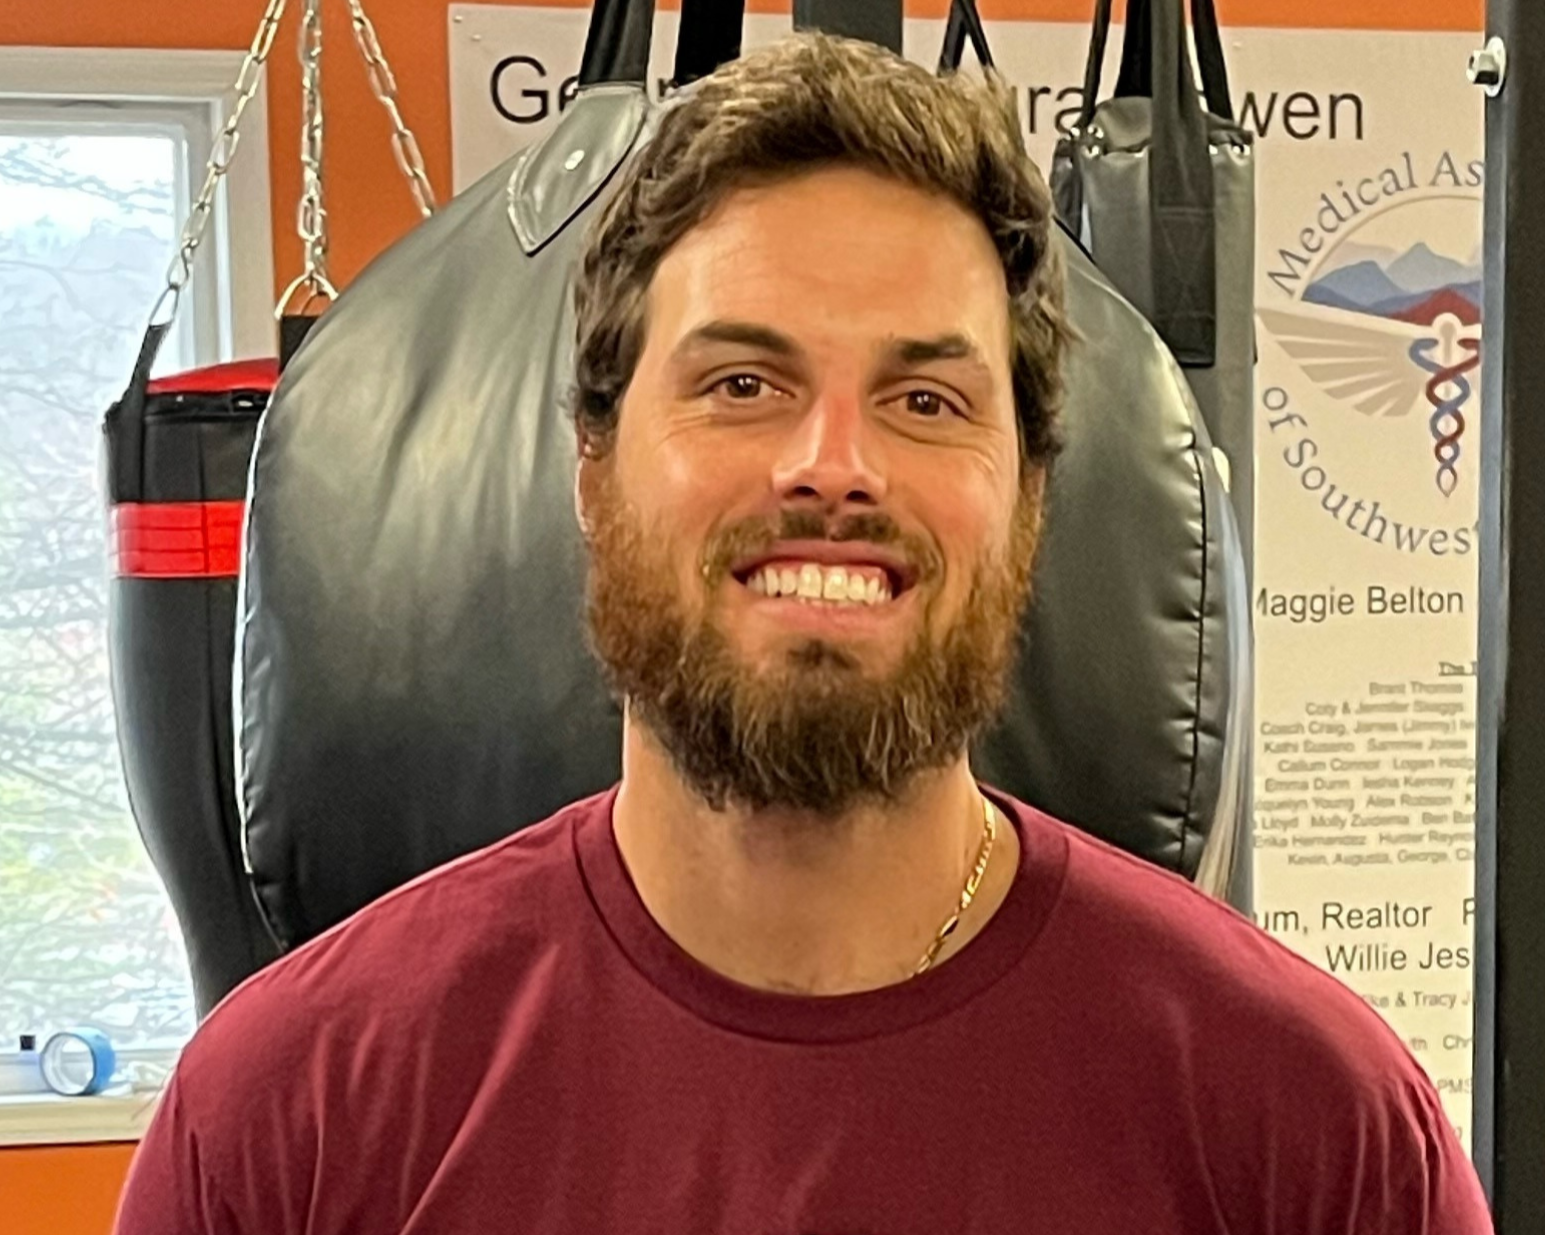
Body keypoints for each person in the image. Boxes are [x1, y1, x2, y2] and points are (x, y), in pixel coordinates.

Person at [114, 33, 1492, 1234]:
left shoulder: (1312, 1131)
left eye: (929, 401)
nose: (835, 466)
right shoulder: (285, 1121)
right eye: (742, 380)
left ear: (1025, 499)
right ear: (593, 472)